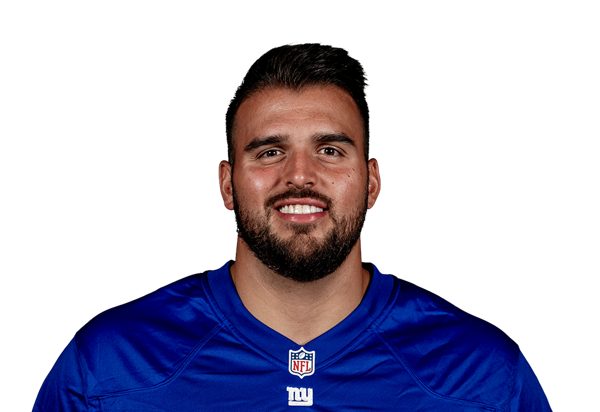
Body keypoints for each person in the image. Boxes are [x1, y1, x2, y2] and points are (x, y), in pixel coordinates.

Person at [34, 42, 551, 411]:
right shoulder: (109, 365)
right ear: (227, 184)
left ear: (371, 182)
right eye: (269, 152)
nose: (299, 176)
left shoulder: (483, 374)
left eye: (330, 150)